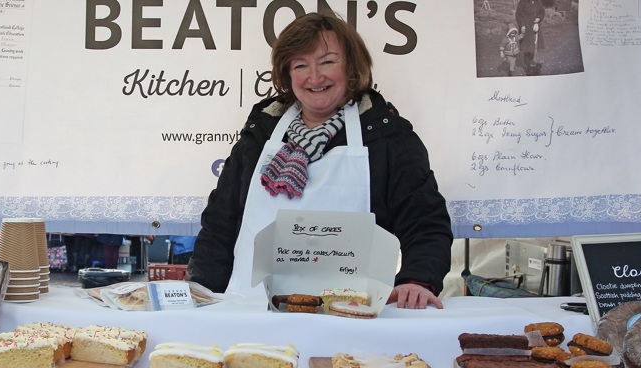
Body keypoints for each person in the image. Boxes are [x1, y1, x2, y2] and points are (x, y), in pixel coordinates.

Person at [187, 12, 452, 309]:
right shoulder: (260, 135)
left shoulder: (386, 136)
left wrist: (417, 279)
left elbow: (425, 220)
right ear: (287, 75)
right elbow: (221, 224)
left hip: (350, 315)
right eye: (301, 65)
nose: (315, 77)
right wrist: (202, 293)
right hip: (251, 312)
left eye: (327, 62)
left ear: (351, 67)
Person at [516, 0, 545, 72]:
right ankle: (527, 65)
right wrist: (522, 25)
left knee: (534, 44)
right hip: (525, 27)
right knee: (526, 47)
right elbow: (518, 15)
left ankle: (531, 62)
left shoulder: (537, 1)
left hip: (535, 26)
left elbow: (542, 11)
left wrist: (539, 18)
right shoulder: (522, 2)